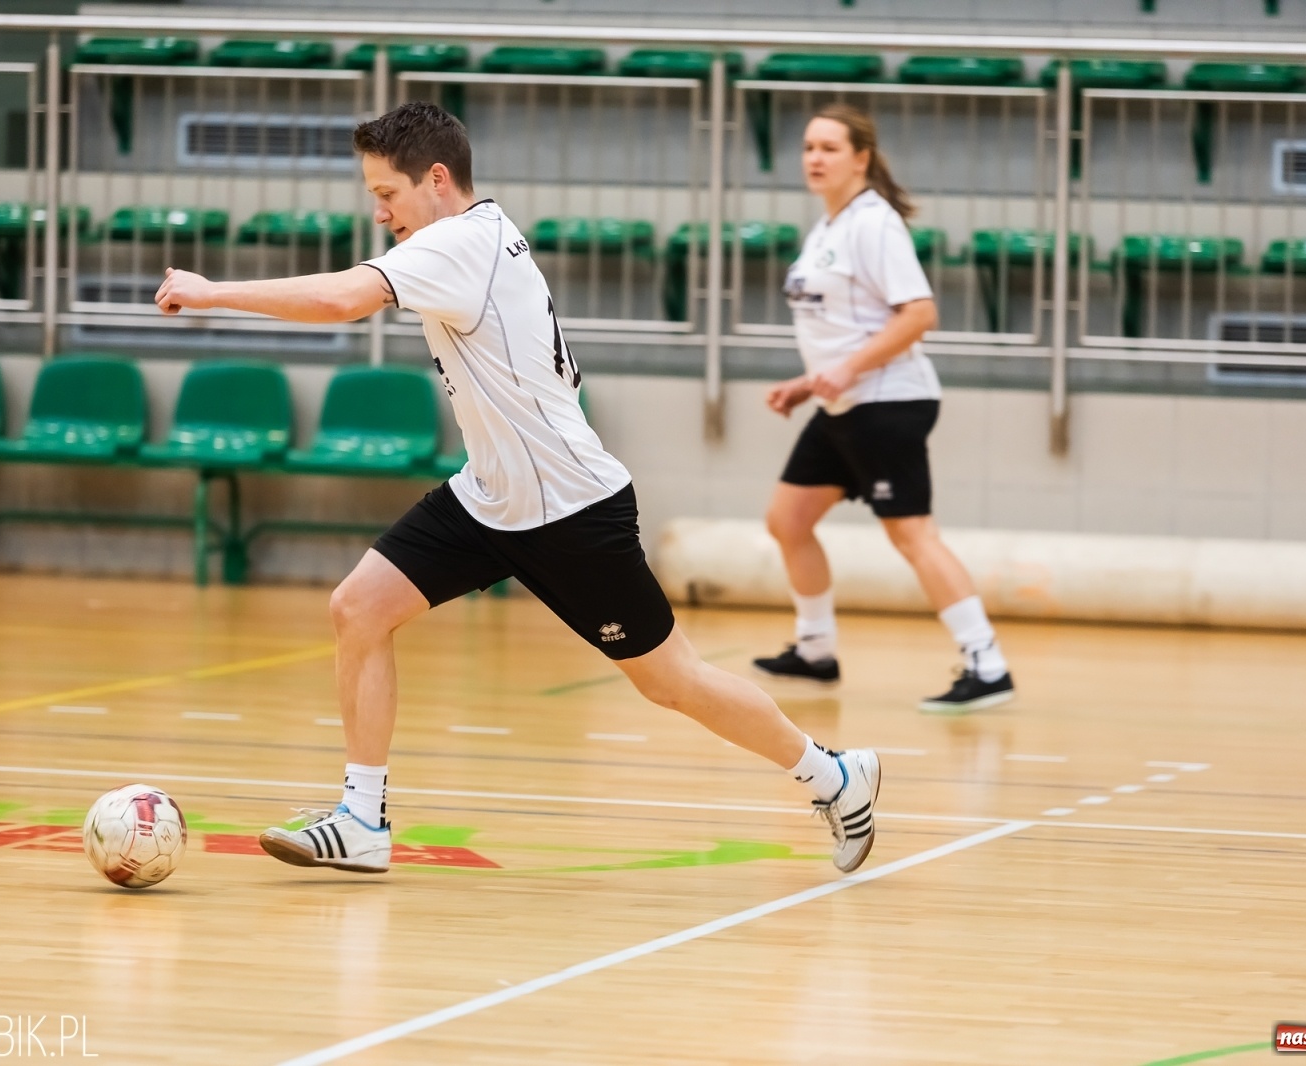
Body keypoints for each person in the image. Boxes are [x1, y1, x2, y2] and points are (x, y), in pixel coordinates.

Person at [154, 102, 880, 875]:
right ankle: (362, 818)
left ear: (437, 181)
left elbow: (340, 300)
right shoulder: (471, 238)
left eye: (388, 194)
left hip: (571, 510)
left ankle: (834, 776)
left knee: (672, 683)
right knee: (358, 609)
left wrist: (209, 293)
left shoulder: (462, 243)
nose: (379, 212)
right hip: (489, 496)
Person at [754, 103, 1015, 714]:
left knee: (913, 535)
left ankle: (986, 662)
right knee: (788, 520)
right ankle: (816, 651)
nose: (814, 158)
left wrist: (844, 370)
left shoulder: (874, 224)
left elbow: (919, 315)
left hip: (888, 401)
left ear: (861, 159)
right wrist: (809, 381)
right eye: (808, 147)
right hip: (844, 401)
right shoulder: (829, 226)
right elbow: (846, 330)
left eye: (829, 148)